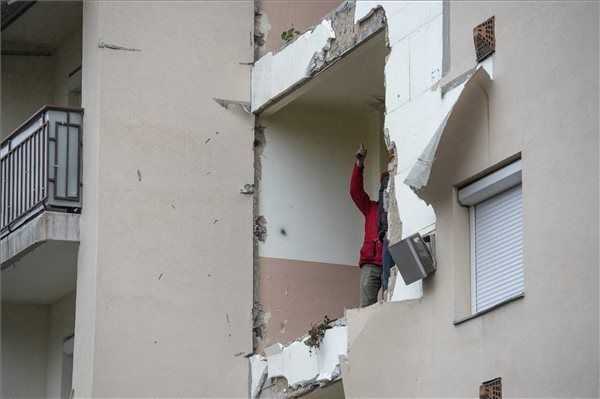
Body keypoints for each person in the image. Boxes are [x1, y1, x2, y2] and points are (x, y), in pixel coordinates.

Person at [350, 144, 384, 307]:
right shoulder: (371, 208)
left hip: (390, 262)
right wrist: (359, 163)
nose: (386, 189)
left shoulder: (398, 210)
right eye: (384, 186)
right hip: (371, 263)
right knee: (366, 309)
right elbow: (355, 191)